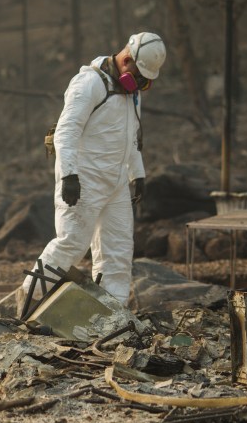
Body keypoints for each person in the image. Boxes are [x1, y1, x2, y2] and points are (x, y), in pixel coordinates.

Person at [22, 32, 166, 306]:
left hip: (116, 182)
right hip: (84, 180)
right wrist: (69, 175)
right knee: (70, 244)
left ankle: (112, 311)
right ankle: (28, 301)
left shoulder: (132, 93)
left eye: (145, 81)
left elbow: (132, 135)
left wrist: (138, 174)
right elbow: (66, 131)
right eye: (137, 77)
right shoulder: (89, 83)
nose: (139, 84)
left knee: (118, 251)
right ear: (126, 60)